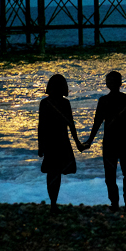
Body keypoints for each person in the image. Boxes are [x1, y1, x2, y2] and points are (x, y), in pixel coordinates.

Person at [84, 70, 126, 211]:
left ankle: (117, 204)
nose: (109, 83)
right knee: (125, 172)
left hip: (113, 142)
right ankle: (125, 204)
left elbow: (98, 123)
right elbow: (98, 122)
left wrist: (90, 140)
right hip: (123, 141)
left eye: (110, 80)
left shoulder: (105, 101)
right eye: (108, 80)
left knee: (113, 173)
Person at [38, 73, 84, 214]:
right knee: (57, 172)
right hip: (62, 141)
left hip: (50, 142)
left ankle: (53, 204)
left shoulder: (44, 103)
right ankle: (53, 204)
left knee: (52, 174)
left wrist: (40, 146)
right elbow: (71, 124)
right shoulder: (65, 103)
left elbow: (41, 126)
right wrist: (77, 143)